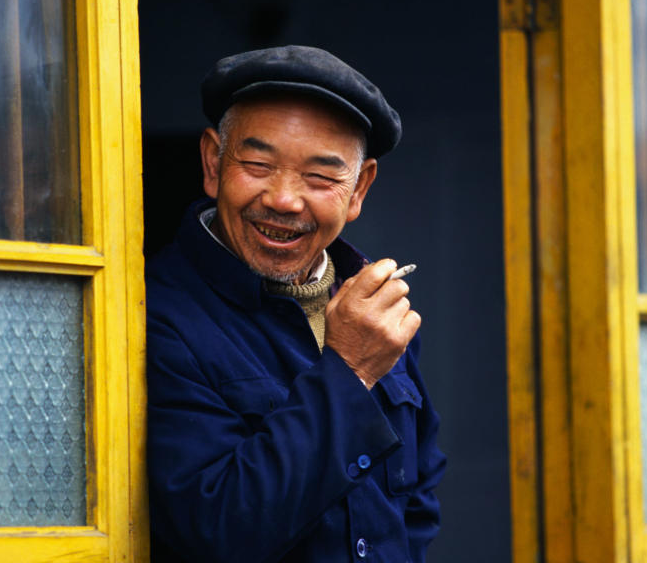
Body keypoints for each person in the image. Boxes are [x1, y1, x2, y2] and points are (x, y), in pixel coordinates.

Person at [146, 45, 446, 562]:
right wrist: (348, 371)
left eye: (321, 177)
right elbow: (216, 528)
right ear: (213, 162)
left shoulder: (378, 311)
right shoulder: (157, 314)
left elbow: (417, 506)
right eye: (258, 163)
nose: (284, 199)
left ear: (358, 190)